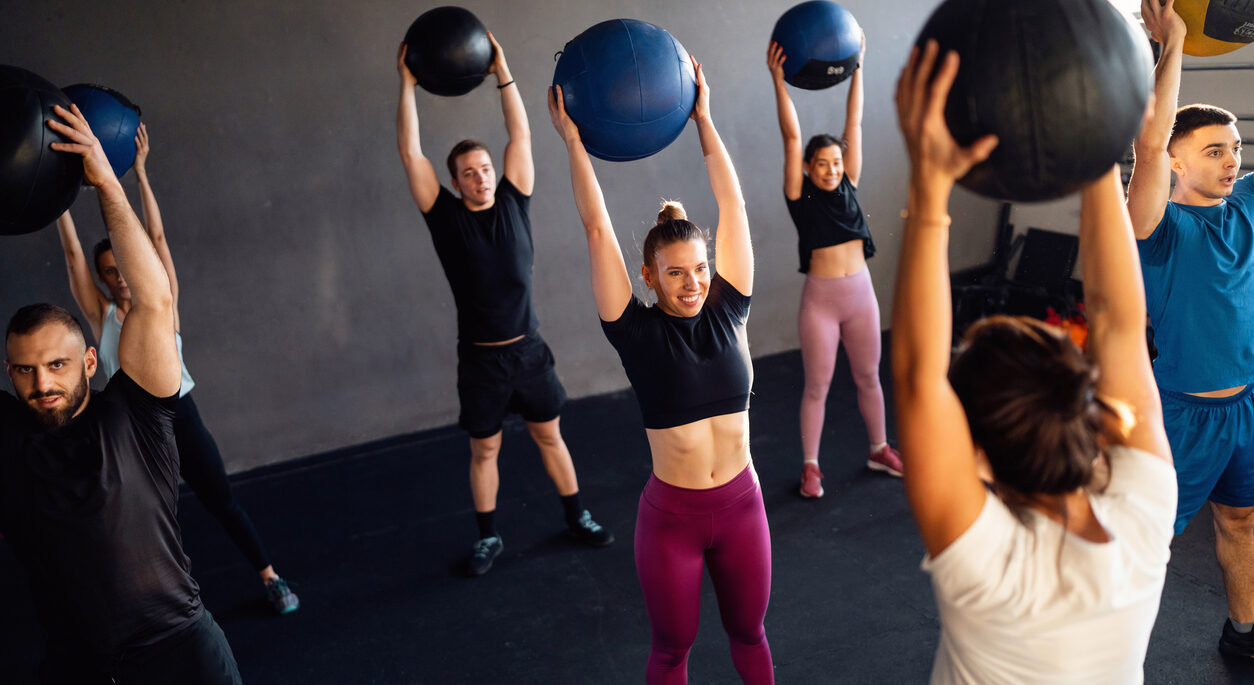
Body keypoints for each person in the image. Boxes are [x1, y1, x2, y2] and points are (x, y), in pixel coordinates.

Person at [893, 42, 1175, 682]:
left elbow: (1116, 330)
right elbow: (1121, 325)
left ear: (981, 457)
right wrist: (1100, 155)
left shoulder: (993, 570)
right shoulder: (1143, 510)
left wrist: (930, 181)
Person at [549, 59, 773, 684]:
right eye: (676, 273)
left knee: (750, 636)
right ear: (650, 277)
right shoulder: (635, 330)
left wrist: (704, 119)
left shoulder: (732, 307)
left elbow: (733, 203)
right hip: (671, 519)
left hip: (741, 507)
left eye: (699, 268)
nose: (693, 282)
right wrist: (573, 141)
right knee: (671, 651)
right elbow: (597, 229)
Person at [2, 104, 241, 684]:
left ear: (89, 361)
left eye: (56, 365)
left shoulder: (135, 413)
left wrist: (108, 181)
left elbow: (155, 300)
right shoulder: (11, 435)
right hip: (79, 666)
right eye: (25, 371)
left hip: (181, 652)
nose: (43, 384)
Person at [54, 123, 299, 615]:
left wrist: (140, 174)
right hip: (128, 429)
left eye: (124, 266)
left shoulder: (163, 305)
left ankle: (270, 576)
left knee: (221, 500)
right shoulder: (99, 314)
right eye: (109, 272)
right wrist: (56, 186)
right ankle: (145, 603)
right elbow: (73, 252)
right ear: (102, 279)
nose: (120, 276)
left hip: (179, 415)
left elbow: (158, 238)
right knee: (135, 519)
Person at [396, 32, 613, 576]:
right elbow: (409, 152)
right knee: (485, 452)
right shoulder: (444, 218)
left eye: (485, 168)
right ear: (455, 182)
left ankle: (577, 515)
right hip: (482, 361)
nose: (480, 177)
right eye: (468, 173)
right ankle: (488, 538)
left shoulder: (516, 199)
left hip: (529, 352)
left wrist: (503, 70)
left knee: (549, 436)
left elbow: (520, 132)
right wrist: (406, 85)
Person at [1127, 0, 1254, 658]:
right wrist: (1172, 41)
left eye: (1234, 149)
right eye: (1213, 151)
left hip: (1246, 409)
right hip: (1182, 417)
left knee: (1242, 519)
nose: (1231, 162)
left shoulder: (1249, 204)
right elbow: (1149, 140)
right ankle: (1110, 659)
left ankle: (1244, 631)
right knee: (1149, 546)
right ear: (1176, 163)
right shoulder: (1161, 230)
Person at [767, 35, 901, 499]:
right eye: (821, 164)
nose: (830, 170)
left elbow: (855, 121)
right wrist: (778, 82)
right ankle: (811, 467)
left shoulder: (851, 184)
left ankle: (879, 449)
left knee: (869, 377)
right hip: (822, 302)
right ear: (807, 167)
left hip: (860, 296)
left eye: (836, 162)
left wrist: (857, 67)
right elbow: (790, 136)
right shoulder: (799, 195)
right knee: (817, 387)